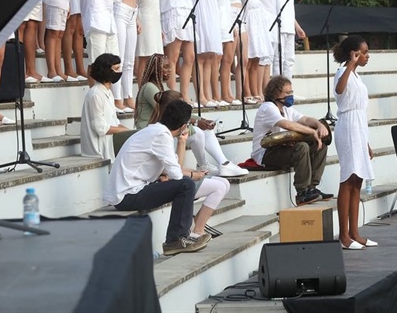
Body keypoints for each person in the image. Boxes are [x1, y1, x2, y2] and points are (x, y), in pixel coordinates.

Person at [103, 99, 211, 256]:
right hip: (127, 195)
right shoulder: (161, 135)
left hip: (127, 191)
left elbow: (172, 169)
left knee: (184, 183)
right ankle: (176, 240)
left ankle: (179, 238)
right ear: (183, 126)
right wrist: (182, 144)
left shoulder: (154, 131)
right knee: (186, 185)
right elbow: (177, 174)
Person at [149, 90, 233, 236]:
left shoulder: (167, 131)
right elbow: (174, 172)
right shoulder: (163, 134)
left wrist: (193, 172)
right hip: (164, 182)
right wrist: (192, 173)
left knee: (225, 183)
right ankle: (198, 230)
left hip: (172, 176)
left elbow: (175, 168)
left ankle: (199, 225)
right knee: (218, 187)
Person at [251, 75, 332, 205]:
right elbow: (288, 125)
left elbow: (305, 119)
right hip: (265, 154)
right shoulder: (267, 108)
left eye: (291, 92)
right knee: (302, 147)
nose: (291, 95)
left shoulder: (286, 108)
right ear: (276, 93)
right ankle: (302, 192)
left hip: (280, 148)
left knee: (321, 145)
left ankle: (312, 188)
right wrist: (312, 131)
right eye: (287, 93)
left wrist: (319, 125)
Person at [333, 35, 375, 250]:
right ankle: (343, 236)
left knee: (357, 179)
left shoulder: (357, 77)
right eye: (364, 52)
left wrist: (366, 142)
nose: (367, 56)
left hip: (358, 127)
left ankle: (355, 232)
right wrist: (350, 63)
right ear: (353, 53)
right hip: (348, 126)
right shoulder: (343, 72)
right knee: (348, 179)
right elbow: (340, 90)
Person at [151, 90, 248, 177]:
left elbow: (188, 117)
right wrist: (192, 174)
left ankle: (223, 164)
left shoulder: (168, 116)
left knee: (205, 130)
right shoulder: (161, 127)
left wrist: (201, 120)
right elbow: (173, 172)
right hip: (168, 164)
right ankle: (203, 165)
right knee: (197, 132)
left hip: (174, 166)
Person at [108, 0, 140, 113]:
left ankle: (128, 95)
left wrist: (137, 17)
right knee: (119, 55)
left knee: (129, 59)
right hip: (120, 10)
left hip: (132, 13)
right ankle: (117, 97)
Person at [80, 53, 129, 162]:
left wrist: (127, 131)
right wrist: (124, 131)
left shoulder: (108, 93)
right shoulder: (95, 94)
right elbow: (100, 127)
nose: (119, 72)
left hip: (109, 147)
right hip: (98, 150)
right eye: (116, 69)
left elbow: (114, 122)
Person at [273, 0, 306, 79]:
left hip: (289, 26)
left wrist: (297, 27)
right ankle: (277, 87)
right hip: (279, 26)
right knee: (278, 59)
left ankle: (288, 87)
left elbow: (289, 9)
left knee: (289, 59)